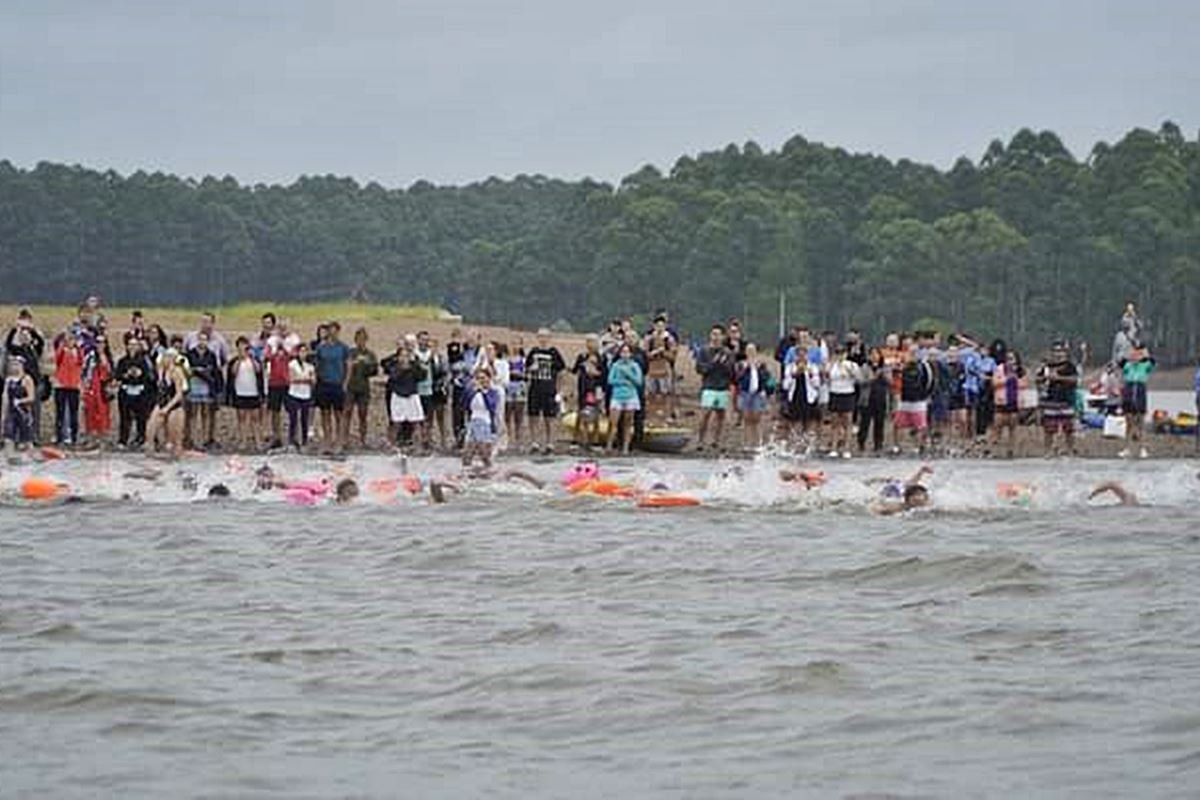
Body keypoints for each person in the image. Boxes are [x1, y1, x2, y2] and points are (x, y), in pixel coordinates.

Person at [525, 328, 565, 453]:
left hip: (549, 388)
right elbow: (526, 369)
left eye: (545, 336)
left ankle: (549, 443)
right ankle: (534, 442)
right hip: (535, 387)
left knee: (550, 417)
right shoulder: (533, 351)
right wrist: (531, 368)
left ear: (549, 338)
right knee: (533, 416)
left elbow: (561, 371)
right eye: (540, 336)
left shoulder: (554, 352)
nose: (543, 339)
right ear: (537, 338)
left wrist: (560, 389)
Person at [696, 324, 735, 451]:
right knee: (705, 414)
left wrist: (723, 363)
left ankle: (716, 441)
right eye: (713, 334)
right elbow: (700, 369)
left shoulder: (728, 353)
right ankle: (700, 441)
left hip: (723, 387)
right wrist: (714, 362)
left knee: (721, 416)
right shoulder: (704, 351)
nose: (715, 337)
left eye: (718, 334)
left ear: (723, 337)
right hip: (709, 386)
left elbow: (731, 372)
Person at [313, 321, 351, 452]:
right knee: (325, 413)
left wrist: (345, 382)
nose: (332, 332)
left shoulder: (343, 347)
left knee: (339, 414)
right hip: (324, 384)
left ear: (338, 332)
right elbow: (316, 365)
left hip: (337, 384)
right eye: (330, 330)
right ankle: (327, 440)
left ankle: (339, 441)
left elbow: (348, 365)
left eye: (335, 330)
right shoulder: (321, 347)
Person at [1036, 342, 1079, 456]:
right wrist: (1042, 379)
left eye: (1060, 351)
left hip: (1066, 400)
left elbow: (1074, 380)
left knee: (1068, 428)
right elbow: (1038, 380)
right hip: (1050, 400)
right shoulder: (1046, 366)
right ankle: (1048, 451)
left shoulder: (1070, 366)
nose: (1058, 354)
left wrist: (1058, 378)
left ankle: (1070, 450)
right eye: (1055, 351)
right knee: (1049, 429)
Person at [144, 346, 188, 456]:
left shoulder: (177, 372)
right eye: (165, 357)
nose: (165, 359)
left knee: (175, 435)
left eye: (168, 357)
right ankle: (150, 447)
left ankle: (176, 452)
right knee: (151, 427)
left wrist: (168, 408)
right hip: (162, 401)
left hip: (175, 404)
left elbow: (179, 394)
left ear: (173, 358)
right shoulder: (161, 370)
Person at [115, 335, 156, 448]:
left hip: (140, 392)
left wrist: (140, 374)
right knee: (124, 417)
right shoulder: (122, 361)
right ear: (127, 346)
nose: (132, 347)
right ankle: (123, 440)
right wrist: (126, 375)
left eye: (135, 345)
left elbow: (148, 377)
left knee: (141, 417)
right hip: (126, 391)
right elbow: (117, 376)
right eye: (130, 344)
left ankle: (141, 438)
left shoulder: (143, 361)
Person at [383, 343, 426, 449]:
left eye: (407, 356)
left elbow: (422, 376)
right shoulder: (394, 367)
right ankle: (391, 445)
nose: (404, 358)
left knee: (416, 422)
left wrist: (414, 363)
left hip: (412, 395)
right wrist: (402, 368)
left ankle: (418, 446)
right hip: (398, 396)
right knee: (396, 423)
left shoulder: (414, 366)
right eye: (402, 355)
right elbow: (392, 376)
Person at [226, 336, 264, 451]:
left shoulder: (254, 360)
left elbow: (258, 370)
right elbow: (233, 372)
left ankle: (258, 441)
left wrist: (250, 357)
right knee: (241, 417)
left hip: (253, 392)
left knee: (255, 418)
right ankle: (243, 440)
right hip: (240, 392)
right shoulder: (234, 361)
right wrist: (240, 358)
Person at [184, 331, 222, 450]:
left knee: (206, 413)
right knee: (193, 413)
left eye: (205, 340)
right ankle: (193, 438)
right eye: (200, 339)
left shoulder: (211, 355)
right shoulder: (191, 354)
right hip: (194, 384)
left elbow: (214, 370)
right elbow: (186, 368)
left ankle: (205, 439)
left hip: (206, 385)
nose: (202, 342)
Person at [892, 349, 934, 454]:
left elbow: (930, 381)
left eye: (913, 354)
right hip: (904, 398)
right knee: (898, 423)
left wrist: (927, 395)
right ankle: (897, 445)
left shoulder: (924, 366)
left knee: (920, 424)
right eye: (910, 354)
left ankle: (918, 446)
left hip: (919, 400)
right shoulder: (903, 366)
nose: (911, 356)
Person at [606, 343, 643, 454]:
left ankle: (625, 448)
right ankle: (609, 446)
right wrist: (623, 382)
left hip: (631, 396)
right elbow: (611, 380)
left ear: (631, 354)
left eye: (627, 352)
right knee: (613, 423)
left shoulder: (635, 366)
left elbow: (639, 381)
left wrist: (628, 374)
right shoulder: (616, 365)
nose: (625, 354)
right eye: (623, 352)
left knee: (628, 423)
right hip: (617, 396)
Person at [735, 343, 772, 450]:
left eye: (753, 350)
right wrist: (746, 368)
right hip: (745, 392)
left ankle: (758, 442)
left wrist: (759, 369)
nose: (751, 353)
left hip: (758, 393)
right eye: (748, 350)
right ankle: (746, 443)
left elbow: (766, 377)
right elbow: (737, 378)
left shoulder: (761, 364)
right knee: (746, 418)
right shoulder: (741, 364)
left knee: (757, 418)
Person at [1119, 345, 1155, 458]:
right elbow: (1120, 361)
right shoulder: (1127, 365)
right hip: (1129, 390)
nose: (1135, 357)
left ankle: (1142, 448)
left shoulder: (1145, 366)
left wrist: (1144, 353)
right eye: (1133, 355)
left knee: (1140, 421)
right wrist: (1129, 353)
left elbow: (1152, 361)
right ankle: (1126, 448)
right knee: (1129, 421)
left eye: (1137, 355)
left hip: (1139, 389)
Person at [347, 327, 378, 449]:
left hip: (364, 387)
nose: (361, 341)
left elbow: (374, 371)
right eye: (359, 339)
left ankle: (363, 439)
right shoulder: (350, 352)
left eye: (363, 339)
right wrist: (353, 363)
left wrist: (367, 364)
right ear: (355, 340)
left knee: (363, 414)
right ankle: (345, 438)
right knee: (347, 412)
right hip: (351, 386)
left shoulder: (370, 354)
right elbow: (345, 367)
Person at [462, 369, 501, 468]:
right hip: (473, 421)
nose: (481, 380)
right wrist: (470, 391)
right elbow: (465, 405)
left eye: (483, 378)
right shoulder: (473, 392)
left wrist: (483, 392)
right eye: (478, 378)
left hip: (485, 422)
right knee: (467, 453)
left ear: (489, 379)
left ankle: (490, 471)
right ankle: (466, 473)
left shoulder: (493, 392)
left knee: (484, 453)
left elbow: (491, 406)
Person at [572, 336, 606, 448]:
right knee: (581, 413)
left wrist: (596, 372)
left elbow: (605, 374)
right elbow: (575, 371)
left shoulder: (602, 358)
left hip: (596, 388)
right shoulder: (582, 356)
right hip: (583, 388)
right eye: (588, 342)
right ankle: (581, 439)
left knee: (595, 413)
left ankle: (595, 440)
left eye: (593, 342)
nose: (591, 344)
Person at [991, 350, 1026, 457]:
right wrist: (1006, 380)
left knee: (1013, 427)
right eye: (1008, 359)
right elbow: (994, 383)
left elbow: (1024, 384)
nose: (1010, 361)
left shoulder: (1020, 371)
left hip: (1014, 401)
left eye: (1012, 359)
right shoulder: (999, 369)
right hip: (1001, 401)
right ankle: (995, 450)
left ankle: (1011, 450)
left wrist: (1015, 379)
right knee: (998, 426)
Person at [827, 347, 860, 458]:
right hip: (835, 392)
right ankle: (834, 448)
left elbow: (858, 378)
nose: (840, 355)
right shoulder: (831, 365)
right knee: (835, 422)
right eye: (837, 353)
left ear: (845, 354)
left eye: (842, 353)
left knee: (848, 421)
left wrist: (849, 371)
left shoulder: (852, 365)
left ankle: (847, 448)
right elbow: (827, 378)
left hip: (848, 393)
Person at [643, 315, 677, 423]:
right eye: (657, 325)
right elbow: (645, 355)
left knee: (666, 395)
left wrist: (663, 352)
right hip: (651, 371)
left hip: (665, 370)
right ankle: (650, 417)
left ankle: (666, 416)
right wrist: (654, 353)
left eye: (662, 326)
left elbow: (673, 356)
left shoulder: (669, 339)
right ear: (654, 326)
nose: (659, 328)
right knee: (650, 395)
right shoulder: (649, 339)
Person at [857, 348, 890, 454]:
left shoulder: (885, 367)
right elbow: (860, 381)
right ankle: (861, 443)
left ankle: (878, 444)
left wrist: (884, 376)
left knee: (879, 422)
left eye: (877, 354)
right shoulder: (865, 367)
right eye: (872, 354)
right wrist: (872, 378)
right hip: (867, 398)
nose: (874, 356)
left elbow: (890, 382)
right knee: (864, 422)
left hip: (881, 397)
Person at [53, 333, 84, 447]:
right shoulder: (62, 351)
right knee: (60, 413)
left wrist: (78, 348)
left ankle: (74, 437)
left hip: (73, 385)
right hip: (61, 385)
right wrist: (62, 345)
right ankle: (59, 436)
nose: (70, 342)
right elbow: (57, 359)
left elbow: (81, 363)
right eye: (68, 340)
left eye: (72, 340)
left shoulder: (78, 352)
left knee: (73, 413)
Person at [82, 333, 113, 444]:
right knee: (91, 411)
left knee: (103, 411)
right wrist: (85, 386)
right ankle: (91, 437)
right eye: (98, 342)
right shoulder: (90, 356)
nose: (100, 345)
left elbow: (110, 373)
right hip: (92, 385)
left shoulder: (108, 356)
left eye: (103, 342)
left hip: (103, 387)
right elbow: (85, 371)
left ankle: (102, 437)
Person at [2, 356, 36, 451]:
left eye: (17, 364)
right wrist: (3, 414)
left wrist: (20, 401)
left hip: (23, 412)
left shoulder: (27, 379)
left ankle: (32, 459)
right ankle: (9, 459)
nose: (14, 367)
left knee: (26, 442)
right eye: (12, 365)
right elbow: (5, 398)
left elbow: (32, 397)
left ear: (22, 366)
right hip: (12, 413)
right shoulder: (8, 380)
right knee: (8, 439)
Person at [286, 342, 316, 450]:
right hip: (294, 394)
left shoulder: (310, 366)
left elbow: (313, 381)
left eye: (305, 351)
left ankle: (304, 441)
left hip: (305, 395)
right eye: (301, 351)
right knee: (293, 418)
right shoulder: (292, 364)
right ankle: (291, 440)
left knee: (304, 419)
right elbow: (292, 379)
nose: (303, 353)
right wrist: (305, 379)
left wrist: (303, 379)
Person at [503, 338, 526, 450]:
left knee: (518, 417)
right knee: (507, 416)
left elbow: (526, 375)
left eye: (517, 344)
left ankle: (519, 441)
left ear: (521, 346)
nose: (515, 346)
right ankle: (508, 440)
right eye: (513, 343)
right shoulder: (506, 360)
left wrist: (519, 374)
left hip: (519, 389)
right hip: (508, 389)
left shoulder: (524, 360)